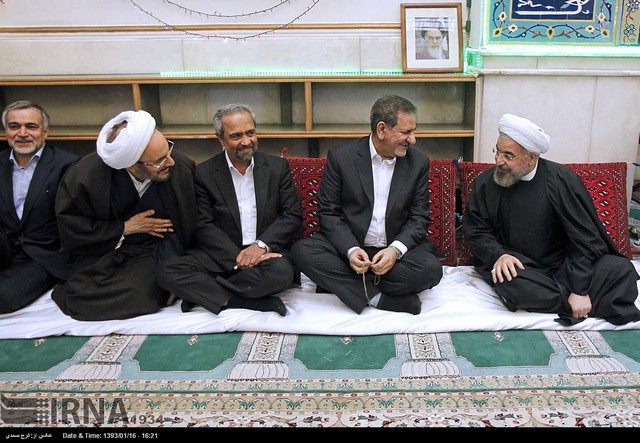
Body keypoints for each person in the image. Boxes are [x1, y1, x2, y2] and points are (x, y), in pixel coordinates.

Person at [463, 113, 640, 326]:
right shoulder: (486, 183)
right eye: (498, 151)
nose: (499, 161)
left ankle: (571, 301)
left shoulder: (562, 181)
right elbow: (476, 231)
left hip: (566, 265)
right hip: (519, 266)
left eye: (508, 155)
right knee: (512, 284)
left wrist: (579, 289)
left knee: (621, 269)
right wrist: (499, 254)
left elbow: (585, 240)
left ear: (531, 158)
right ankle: (588, 304)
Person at [291, 95, 443, 315]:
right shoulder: (341, 157)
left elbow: (419, 218)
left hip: (394, 254)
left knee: (431, 269)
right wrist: (351, 249)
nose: (413, 140)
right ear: (382, 129)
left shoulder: (417, 162)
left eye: (413, 131)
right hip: (351, 252)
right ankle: (378, 298)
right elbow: (328, 213)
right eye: (406, 132)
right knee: (303, 252)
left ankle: (345, 286)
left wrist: (395, 251)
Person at [51, 110, 197, 321]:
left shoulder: (180, 170)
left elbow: (188, 227)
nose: (171, 162)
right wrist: (124, 229)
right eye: (160, 160)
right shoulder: (85, 176)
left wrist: (175, 269)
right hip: (103, 247)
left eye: (169, 151)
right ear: (132, 165)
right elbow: (72, 225)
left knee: (137, 294)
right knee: (81, 292)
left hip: (152, 251)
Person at [157, 104, 302, 317]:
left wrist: (260, 247)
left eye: (250, 133)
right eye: (236, 136)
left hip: (265, 254)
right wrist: (238, 257)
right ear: (221, 140)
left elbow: (291, 215)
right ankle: (241, 299)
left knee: (281, 273)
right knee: (167, 271)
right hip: (221, 255)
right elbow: (202, 224)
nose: (246, 141)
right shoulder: (204, 173)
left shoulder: (277, 168)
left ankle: (206, 293)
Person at [0, 101, 79, 313]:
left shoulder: (67, 165)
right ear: (6, 131)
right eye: (14, 126)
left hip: (42, 255)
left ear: (45, 132)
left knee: (3, 297)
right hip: (4, 249)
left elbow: (76, 221)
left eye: (31, 126)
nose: (22, 133)